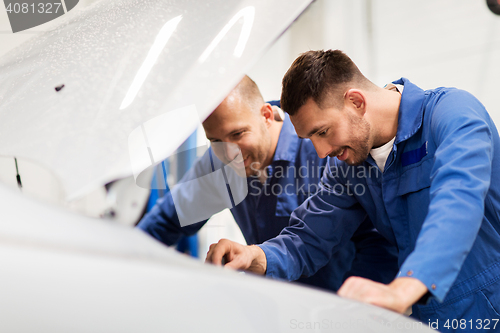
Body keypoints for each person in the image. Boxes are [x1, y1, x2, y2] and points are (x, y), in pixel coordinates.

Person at [206, 50, 500, 330]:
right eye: (310, 138)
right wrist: (254, 257)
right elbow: (309, 237)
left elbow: (458, 203)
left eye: (323, 132)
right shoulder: (348, 167)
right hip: (431, 317)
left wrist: (405, 287)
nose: (321, 152)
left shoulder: (452, 114)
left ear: (356, 102)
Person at [137, 75, 398, 292]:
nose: (230, 153)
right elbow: (168, 218)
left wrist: (349, 313)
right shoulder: (220, 162)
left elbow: (379, 245)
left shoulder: (324, 150)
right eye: (216, 140)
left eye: (238, 134)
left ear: (266, 115)